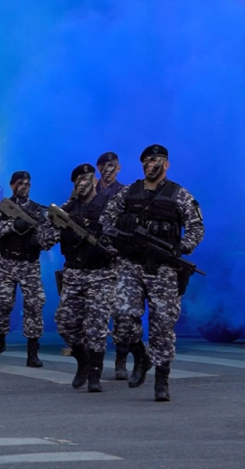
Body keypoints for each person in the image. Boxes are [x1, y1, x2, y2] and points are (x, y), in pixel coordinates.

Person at [100, 144, 204, 401]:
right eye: (146, 160)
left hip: (163, 269)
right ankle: (140, 355)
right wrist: (119, 235)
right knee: (123, 316)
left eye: (155, 159)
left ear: (166, 164)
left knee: (162, 325)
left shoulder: (179, 195)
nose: (150, 163)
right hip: (130, 265)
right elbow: (105, 220)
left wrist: (182, 247)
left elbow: (196, 227)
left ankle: (162, 379)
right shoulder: (128, 193)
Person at [40, 164, 116, 392]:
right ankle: (82, 359)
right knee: (65, 323)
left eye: (86, 179)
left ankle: (94, 373)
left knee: (96, 325)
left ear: (95, 181)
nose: (82, 184)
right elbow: (43, 238)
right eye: (78, 181)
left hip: (101, 273)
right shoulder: (67, 209)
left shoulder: (108, 205)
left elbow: (120, 236)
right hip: (74, 273)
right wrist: (64, 228)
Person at [0, 171, 48, 367]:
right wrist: (13, 225)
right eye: (20, 183)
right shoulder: (2, 208)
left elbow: (49, 236)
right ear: (12, 185)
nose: (24, 186)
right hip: (8, 263)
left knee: (34, 306)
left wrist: (39, 237)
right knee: (2, 304)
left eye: (27, 183)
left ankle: (33, 351)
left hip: (30, 263)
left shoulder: (38, 210)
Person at [96, 151, 131, 380]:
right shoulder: (88, 192)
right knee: (96, 314)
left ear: (119, 168)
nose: (109, 169)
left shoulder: (127, 193)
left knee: (122, 314)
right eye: (105, 165)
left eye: (113, 165)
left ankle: (121, 360)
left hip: (119, 260)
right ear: (99, 168)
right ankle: (94, 364)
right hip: (95, 261)